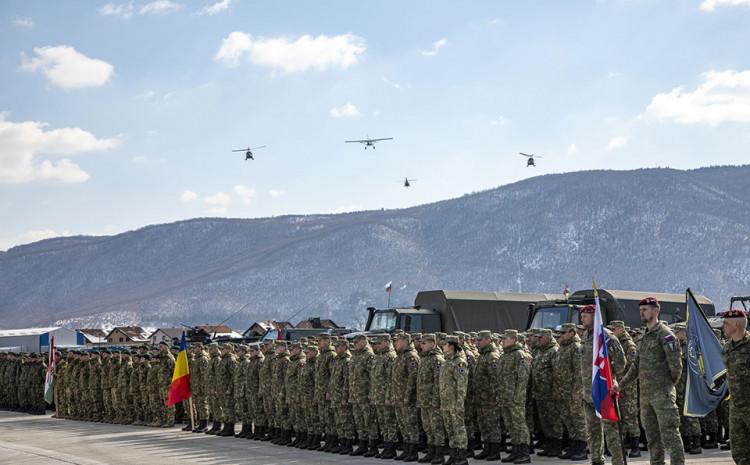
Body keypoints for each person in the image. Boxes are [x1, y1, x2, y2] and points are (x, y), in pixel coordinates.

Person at [615, 297, 685, 465]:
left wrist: (666, 387)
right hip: (645, 398)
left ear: (656, 310)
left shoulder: (666, 335)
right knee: (652, 438)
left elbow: (676, 368)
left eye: (645, 309)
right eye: (640, 310)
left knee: (670, 437)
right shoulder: (644, 337)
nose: (642, 313)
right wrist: (620, 385)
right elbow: (635, 367)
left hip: (662, 395)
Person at [580, 304, 627, 465]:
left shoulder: (607, 337)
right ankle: (596, 460)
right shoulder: (585, 336)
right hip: (588, 393)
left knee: (612, 432)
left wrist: (608, 375)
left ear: (594, 316)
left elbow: (621, 363)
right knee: (592, 432)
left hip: (604, 390)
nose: (582, 318)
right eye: (582, 316)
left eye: (585, 315)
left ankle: (618, 462)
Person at [498, 329, 533, 464]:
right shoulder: (504, 356)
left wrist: (518, 397)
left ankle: (524, 452)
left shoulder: (520, 355)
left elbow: (523, 378)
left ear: (513, 339)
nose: (502, 341)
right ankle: (515, 450)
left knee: (519, 425)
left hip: (515, 397)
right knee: (510, 425)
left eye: (505, 338)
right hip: (504, 397)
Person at [720, 308, 750, 465]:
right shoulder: (727, 348)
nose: (723, 326)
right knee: (739, 452)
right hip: (736, 407)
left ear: (737, 324)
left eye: (726, 323)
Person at [439, 335, 469, 465]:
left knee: (459, 429)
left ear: (451, 346)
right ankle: (453, 454)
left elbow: (462, 385)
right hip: (446, 402)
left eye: (445, 344)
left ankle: (462, 457)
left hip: (455, 403)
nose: (442, 346)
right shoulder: (446, 362)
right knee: (450, 430)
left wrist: (459, 404)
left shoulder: (459, 362)